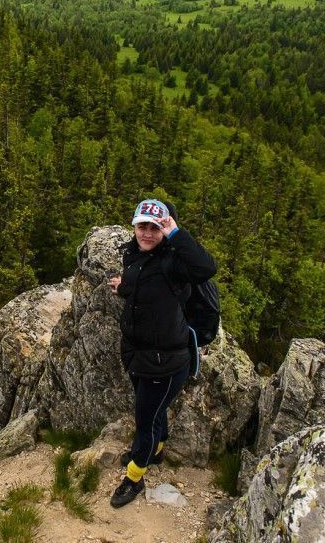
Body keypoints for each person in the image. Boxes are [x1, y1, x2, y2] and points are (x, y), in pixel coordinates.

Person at [107, 198, 217, 508]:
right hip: (138, 354)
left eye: (155, 227)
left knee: (144, 421)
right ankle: (156, 451)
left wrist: (175, 232)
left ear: (165, 229)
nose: (147, 233)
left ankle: (135, 476)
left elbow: (206, 268)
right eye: (142, 225)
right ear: (134, 226)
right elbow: (144, 287)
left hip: (165, 361)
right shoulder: (135, 255)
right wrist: (124, 288)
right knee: (154, 412)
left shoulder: (174, 263)